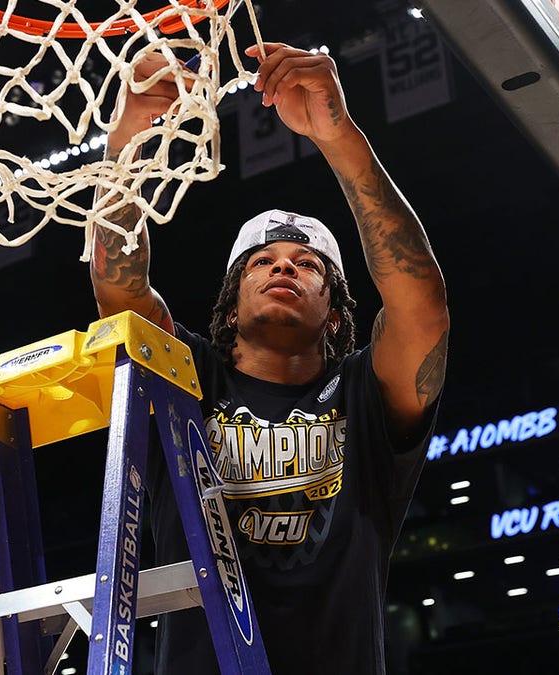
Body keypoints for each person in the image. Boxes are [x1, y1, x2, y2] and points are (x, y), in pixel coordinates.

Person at [88, 42, 450, 674]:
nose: (285, 264)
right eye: (262, 262)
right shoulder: (187, 378)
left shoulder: (367, 393)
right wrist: (126, 142)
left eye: (309, 266)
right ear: (229, 307)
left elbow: (423, 307)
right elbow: (120, 290)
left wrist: (338, 138)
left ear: (335, 313)